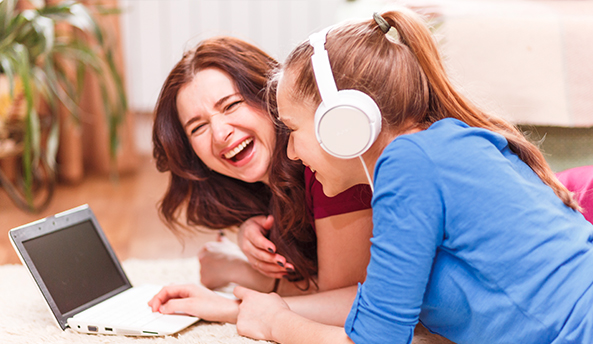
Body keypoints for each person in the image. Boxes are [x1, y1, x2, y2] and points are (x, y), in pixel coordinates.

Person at [230, 9, 593, 344]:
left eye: (293, 129)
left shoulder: (408, 162)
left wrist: (274, 322)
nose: (291, 152)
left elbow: (375, 340)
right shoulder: (444, 145)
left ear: (343, 124)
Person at [149, 35, 451, 344]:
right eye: (197, 127)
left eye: (232, 105)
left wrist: (237, 298)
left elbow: (351, 298)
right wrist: (246, 239)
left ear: (269, 96)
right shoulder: (265, 180)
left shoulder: (330, 166)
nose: (219, 133)